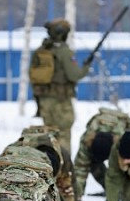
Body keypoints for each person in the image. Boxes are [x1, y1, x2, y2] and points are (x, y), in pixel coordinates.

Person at [30, 18, 92, 151]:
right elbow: (74, 75)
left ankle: (51, 164)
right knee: (63, 134)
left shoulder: (41, 51)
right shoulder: (65, 52)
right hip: (61, 101)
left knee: (50, 134)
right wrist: (86, 67)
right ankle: (64, 168)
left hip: (44, 100)